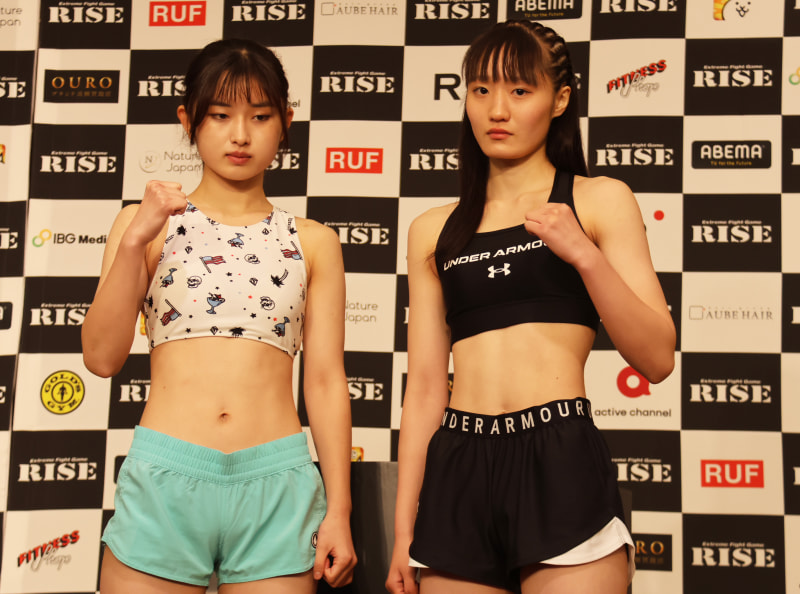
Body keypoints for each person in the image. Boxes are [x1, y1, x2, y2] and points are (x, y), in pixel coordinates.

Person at [386, 20, 675, 594]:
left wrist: (585, 255)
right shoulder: (433, 229)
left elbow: (657, 358)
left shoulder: (598, 199)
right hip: (458, 463)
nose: (498, 109)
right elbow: (424, 389)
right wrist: (402, 532)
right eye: (481, 90)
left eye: (520, 90)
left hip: (558, 453)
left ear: (559, 99)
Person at [82, 38, 356, 593]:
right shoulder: (143, 225)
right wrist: (135, 240)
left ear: (286, 122)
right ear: (188, 119)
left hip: (277, 481)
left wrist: (340, 511)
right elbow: (101, 357)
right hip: (166, 475)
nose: (240, 135)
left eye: (260, 116)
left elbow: (326, 381)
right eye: (220, 115)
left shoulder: (314, 241)